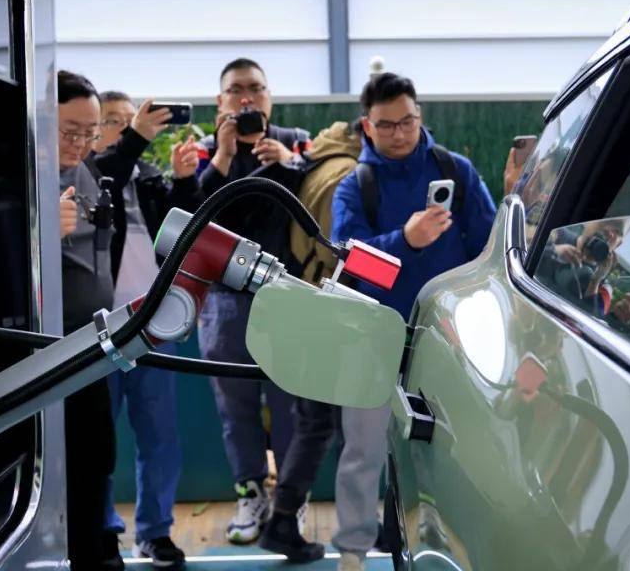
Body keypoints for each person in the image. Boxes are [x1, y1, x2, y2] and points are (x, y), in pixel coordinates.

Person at [328, 71, 497, 570]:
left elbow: (488, 245)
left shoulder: (456, 171)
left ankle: (456, 548)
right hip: (372, 335)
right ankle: (353, 552)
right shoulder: (354, 187)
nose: (399, 133)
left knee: (455, 450)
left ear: (420, 116)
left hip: (449, 337)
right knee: (362, 451)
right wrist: (406, 240)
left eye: (407, 121)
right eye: (386, 125)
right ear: (367, 125)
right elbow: (351, 262)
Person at [194, 58, 311, 544]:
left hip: (287, 297)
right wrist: (222, 156)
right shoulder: (205, 151)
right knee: (235, 409)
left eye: (256, 89)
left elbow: (316, 208)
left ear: (270, 96)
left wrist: (289, 164)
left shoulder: (296, 142)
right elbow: (193, 219)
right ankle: (250, 495)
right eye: (236, 90)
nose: (247, 98)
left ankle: (290, 502)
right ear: (220, 101)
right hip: (224, 302)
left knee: (291, 408)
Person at [90, 90, 201, 567]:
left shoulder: (150, 179)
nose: (124, 128)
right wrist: (135, 137)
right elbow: (110, 171)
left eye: (127, 120)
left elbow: (184, 236)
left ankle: (155, 532)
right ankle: (101, 533)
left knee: (160, 440)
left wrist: (184, 181)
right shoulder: (90, 174)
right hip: (98, 333)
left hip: (151, 331)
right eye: (113, 121)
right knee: (97, 444)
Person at [259, 120, 364, 563]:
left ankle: (284, 520)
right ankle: (358, 528)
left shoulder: (317, 164)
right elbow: (338, 251)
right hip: (333, 311)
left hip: (306, 305)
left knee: (316, 422)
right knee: (347, 426)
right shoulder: (346, 175)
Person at [56, 70, 122, 571]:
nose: (80, 143)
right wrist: (41, 230)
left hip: (93, 346)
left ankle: (97, 548)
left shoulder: (90, 176)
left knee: (98, 455)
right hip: (44, 355)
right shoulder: (21, 177)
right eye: (70, 131)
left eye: (90, 132)